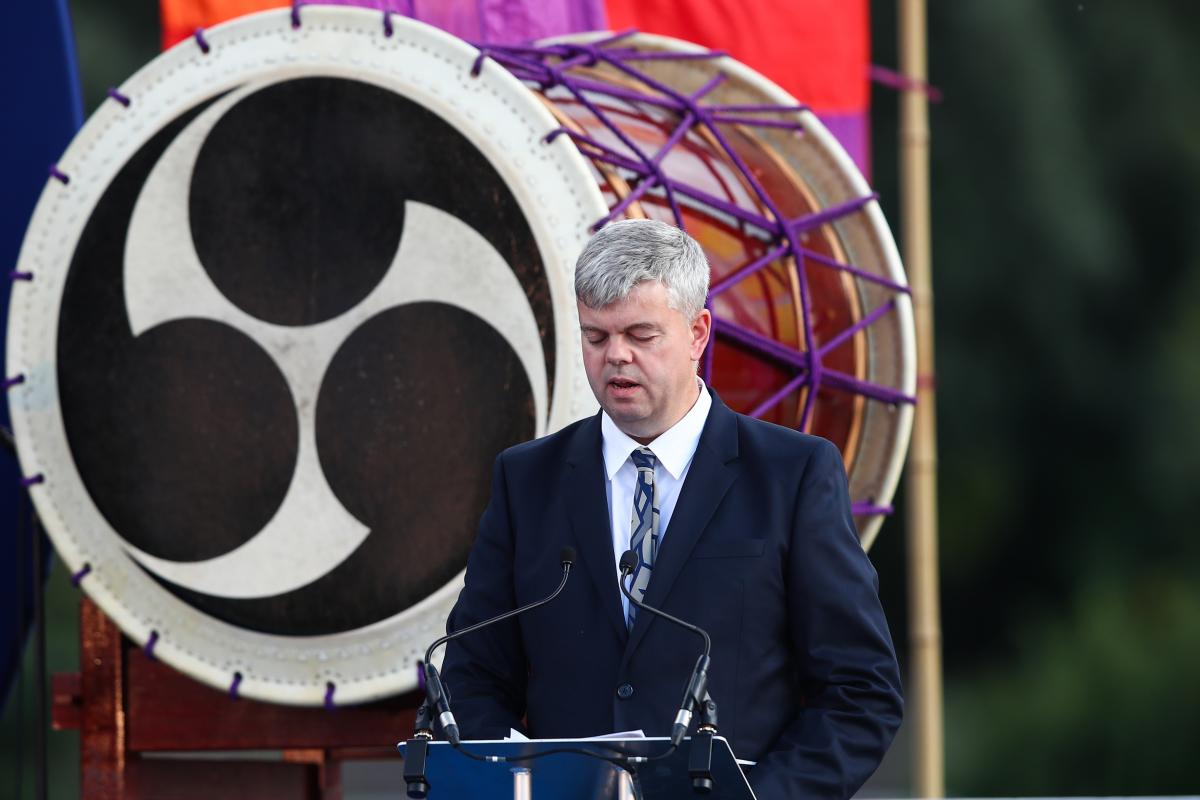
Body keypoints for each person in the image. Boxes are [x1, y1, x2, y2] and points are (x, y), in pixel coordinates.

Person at [441, 218, 903, 799]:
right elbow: (471, 675)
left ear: (698, 333)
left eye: (641, 334)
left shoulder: (792, 475)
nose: (616, 357)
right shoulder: (526, 479)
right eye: (596, 337)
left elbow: (861, 692)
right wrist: (519, 785)